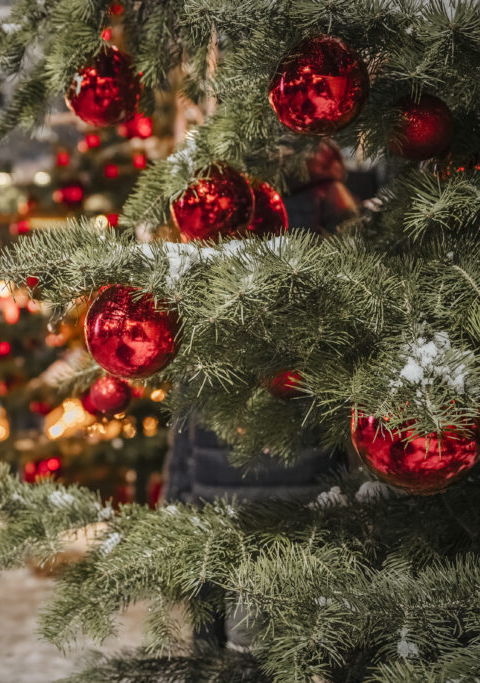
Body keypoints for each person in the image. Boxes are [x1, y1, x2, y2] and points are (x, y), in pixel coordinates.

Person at [160, 141, 360, 647]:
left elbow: (192, 385)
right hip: (309, 493)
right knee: (298, 646)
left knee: (220, 645)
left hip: (217, 489)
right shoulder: (337, 224)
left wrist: (179, 492)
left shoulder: (218, 216)